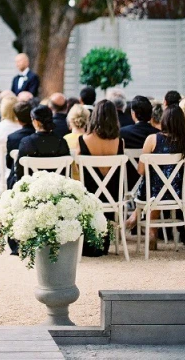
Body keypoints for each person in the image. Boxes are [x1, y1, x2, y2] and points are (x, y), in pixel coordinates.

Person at [126, 105, 185, 250]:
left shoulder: (152, 139)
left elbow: (141, 171)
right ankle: (139, 222)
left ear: (164, 120)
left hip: (152, 194)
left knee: (153, 186)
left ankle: (149, 230)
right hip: (178, 194)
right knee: (160, 186)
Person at [76, 100, 124, 256]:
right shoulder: (119, 142)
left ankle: (90, 241)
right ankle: (105, 240)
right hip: (113, 196)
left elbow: (78, 168)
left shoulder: (83, 140)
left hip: (90, 196)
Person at [13, 105, 70, 185]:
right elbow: (66, 173)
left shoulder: (27, 142)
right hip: (57, 189)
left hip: (32, 189)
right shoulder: (62, 142)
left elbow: (20, 172)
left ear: (36, 122)